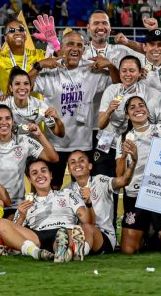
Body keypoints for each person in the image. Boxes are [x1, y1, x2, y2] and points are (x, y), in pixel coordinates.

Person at [30, 31, 117, 187]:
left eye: (79, 45)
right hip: (55, 144)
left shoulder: (92, 69)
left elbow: (118, 85)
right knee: (52, 188)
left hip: (83, 144)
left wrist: (111, 66)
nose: (75, 48)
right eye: (70, 44)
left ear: (84, 50)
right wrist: (39, 66)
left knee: (81, 189)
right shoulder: (51, 70)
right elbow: (22, 87)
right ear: (62, 47)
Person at [114, 95, 161, 254]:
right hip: (135, 194)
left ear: (147, 111)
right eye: (132, 107)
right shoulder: (123, 138)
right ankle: (149, 235)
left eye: (141, 105)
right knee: (128, 250)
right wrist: (124, 155)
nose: (138, 109)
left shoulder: (160, 130)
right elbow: (120, 175)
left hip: (159, 193)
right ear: (127, 115)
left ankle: (157, 234)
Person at [0, 159, 95, 263]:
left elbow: (87, 221)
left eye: (43, 171)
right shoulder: (26, 203)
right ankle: (35, 252)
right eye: (34, 173)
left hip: (64, 230)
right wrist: (22, 216)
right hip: (37, 237)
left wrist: (88, 202)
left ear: (50, 175)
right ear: (29, 179)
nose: (40, 175)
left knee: (68, 233)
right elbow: (13, 234)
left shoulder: (68, 194)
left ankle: (64, 252)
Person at [0, 105, 58, 207]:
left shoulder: (24, 140)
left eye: (8, 118)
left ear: (13, 122)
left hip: (15, 205)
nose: (4, 122)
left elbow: (53, 158)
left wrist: (40, 135)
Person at [63, 146, 136, 255]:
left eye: (82, 160)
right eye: (72, 162)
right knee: (67, 230)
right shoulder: (66, 191)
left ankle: (78, 252)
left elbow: (124, 181)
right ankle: (69, 251)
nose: (77, 164)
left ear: (90, 166)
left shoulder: (101, 181)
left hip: (104, 236)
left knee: (87, 226)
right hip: (80, 233)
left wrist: (134, 161)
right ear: (69, 169)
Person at [96, 56, 157, 177]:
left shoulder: (147, 92)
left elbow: (152, 120)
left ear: (140, 72)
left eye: (132, 70)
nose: (127, 74)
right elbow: (101, 124)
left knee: (128, 178)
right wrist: (109, 111)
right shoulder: (111, 90)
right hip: (106, 138)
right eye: (124, 71)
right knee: (102, 177)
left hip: (132, 141)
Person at [0, 13, 56, 95]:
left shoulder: (39, 55)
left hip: (37, 107)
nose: (17, 32)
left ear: (26, 35)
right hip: (7, 107)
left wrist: (54, 43)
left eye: (21, 29)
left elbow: (66, 67)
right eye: (11, 30)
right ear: (5, 38)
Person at [0, 68, 63, 139]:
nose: (22, 87)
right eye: (17, 84)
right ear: (11, 88)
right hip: (7, 149)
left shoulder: (40, 106)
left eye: (26, 83)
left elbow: (60, 133)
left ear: (30, 87)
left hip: (31, 150)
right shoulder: (3, 104)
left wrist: (57, 118)